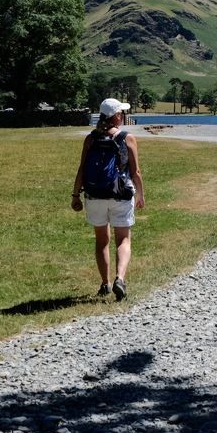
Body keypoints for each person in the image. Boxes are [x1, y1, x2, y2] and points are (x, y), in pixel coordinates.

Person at [71, 98, 145, 301]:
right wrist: (140, 195)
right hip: (120, 194)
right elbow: (136, 172)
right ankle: (120, 278)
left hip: (94, 195)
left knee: (102, 240)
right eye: (122, 113)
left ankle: (105, 283)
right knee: (123, 239)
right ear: (117, 116)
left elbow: (81, 169)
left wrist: (75, 195)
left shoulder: (90, 139)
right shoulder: (127, 138)